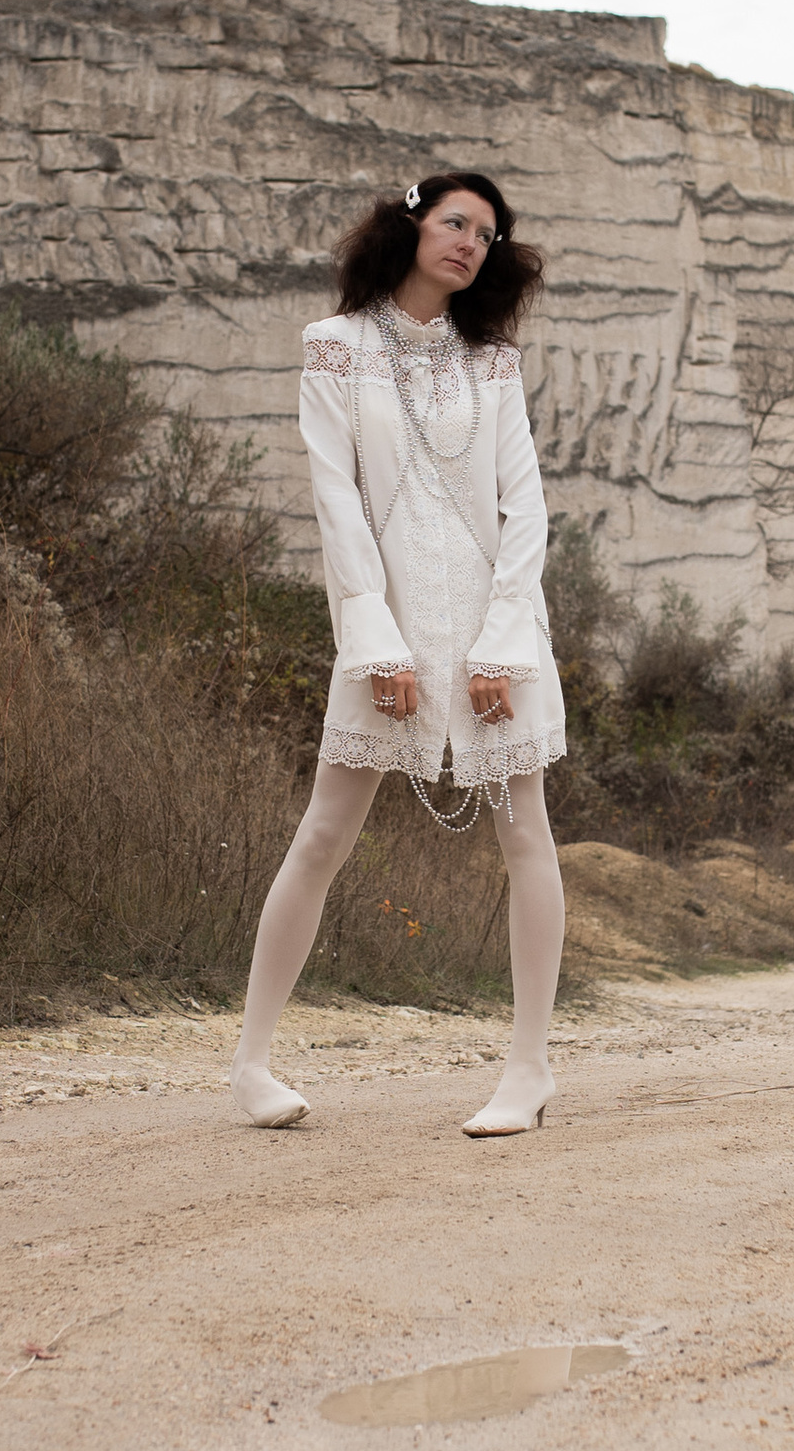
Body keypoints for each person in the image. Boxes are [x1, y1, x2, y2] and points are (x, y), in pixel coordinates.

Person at [230, 171, 569, 1139]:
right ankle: (250, 1063)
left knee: (524, 833)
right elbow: (335, 501)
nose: (469, 242)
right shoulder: (333, 349)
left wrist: (504, 643)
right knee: (323, 834)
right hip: (388, 620)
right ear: (412, 223)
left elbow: (524, 507)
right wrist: (371, 637)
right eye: (455, 222)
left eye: (487, 236)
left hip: (491, 623)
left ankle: (529, 1068)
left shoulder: (492, 364)